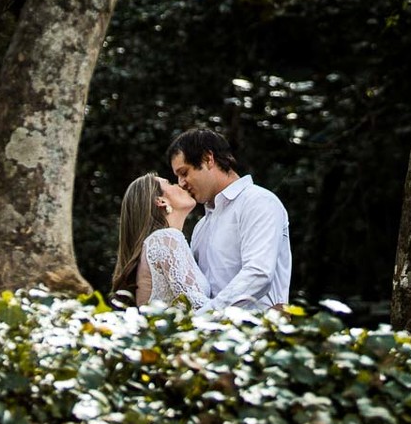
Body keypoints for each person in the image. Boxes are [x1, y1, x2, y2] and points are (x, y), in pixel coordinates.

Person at [167, 127, 291, 309]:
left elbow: (258, 273)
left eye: (184, 173)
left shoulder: (259, 202)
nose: (181, 183)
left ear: (208, 159)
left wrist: (206, 317)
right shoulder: (202, 226)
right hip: (208, 333)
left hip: (256, 332)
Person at [111, 172, 209, 307]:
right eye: (169, 183)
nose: (179, 184)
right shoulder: (164, 239)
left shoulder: (159, 242)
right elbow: (196, 304)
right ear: (161, 201)